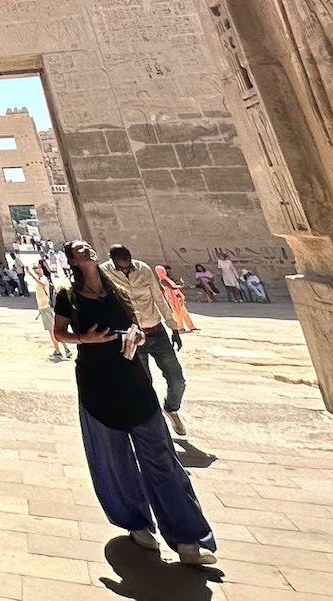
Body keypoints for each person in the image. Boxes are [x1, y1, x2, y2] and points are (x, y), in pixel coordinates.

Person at [55, 241, 218, 566]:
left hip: (133, 378)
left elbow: (133, 322)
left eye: (87, 245)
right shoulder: (67, 294)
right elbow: (59, 333)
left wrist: (137, 335)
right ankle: (137, 524)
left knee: (161, 459)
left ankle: (187, 539)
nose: (86, 249)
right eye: (79, 249)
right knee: (116, 461)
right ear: (72, 259)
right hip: (97, 382)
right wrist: (86, 339)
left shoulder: (115, 288)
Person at [102, 244, 189, 436]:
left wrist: (173, 327)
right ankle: (152, 421)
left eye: (128, 261)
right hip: (132, 335)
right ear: (112, 259)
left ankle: (172, 408)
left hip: (156, 330)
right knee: (143, 382)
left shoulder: (142, 268)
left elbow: (158, 298)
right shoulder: (104, 272)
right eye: (121, 265)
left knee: (177, 378)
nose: (126, 267)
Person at [156, 265, 196, 334]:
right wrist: (181, 285)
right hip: (172, 297)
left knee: (184, 311)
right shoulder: (163, 280)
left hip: (176, 296)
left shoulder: (166, 278)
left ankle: (191, 326)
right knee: (177, 312)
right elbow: (172, 287)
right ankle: (180, 327)